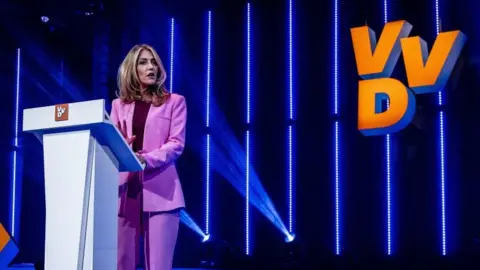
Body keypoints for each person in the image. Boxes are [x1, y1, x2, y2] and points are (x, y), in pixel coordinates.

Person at [110, 44, 187, 270]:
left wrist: (147, 159)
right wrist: (121, 148)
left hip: (162, 190)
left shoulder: (175, 101)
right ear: (131, 69)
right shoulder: (118, 105)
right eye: (143, 62)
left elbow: (176, 143)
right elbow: (113, 142)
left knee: (158, 265)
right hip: (126, 190)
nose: (150, 67)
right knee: (121, 263)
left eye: (154, 62)